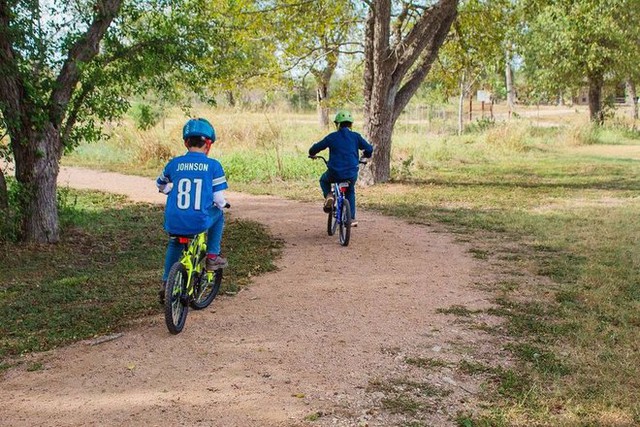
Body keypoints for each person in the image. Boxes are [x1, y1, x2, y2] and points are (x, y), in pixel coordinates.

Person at [156, 118, 228, 301]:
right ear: (208, 144)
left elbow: (160, 185)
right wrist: (222, 204)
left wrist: (169, 190)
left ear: (186, 142)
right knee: (219, 214)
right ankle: (212, 256)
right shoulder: (213, 166)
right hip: (198, 221)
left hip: (174, 219)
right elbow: (218, 199)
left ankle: (166, 282)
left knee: (174, 243)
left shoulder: (174, 163)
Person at [308, 110, 373, 227]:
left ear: (337, 124)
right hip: (351, 173)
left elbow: (316, 148)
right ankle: (351, 218)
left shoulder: (332, 137)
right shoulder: (356, 137)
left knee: (324, 180)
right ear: (351, 124)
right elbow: (369, 148)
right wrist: (366, 155)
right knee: (350, 191)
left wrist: (312, 153)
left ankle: (329, 195)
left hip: (334, 172)